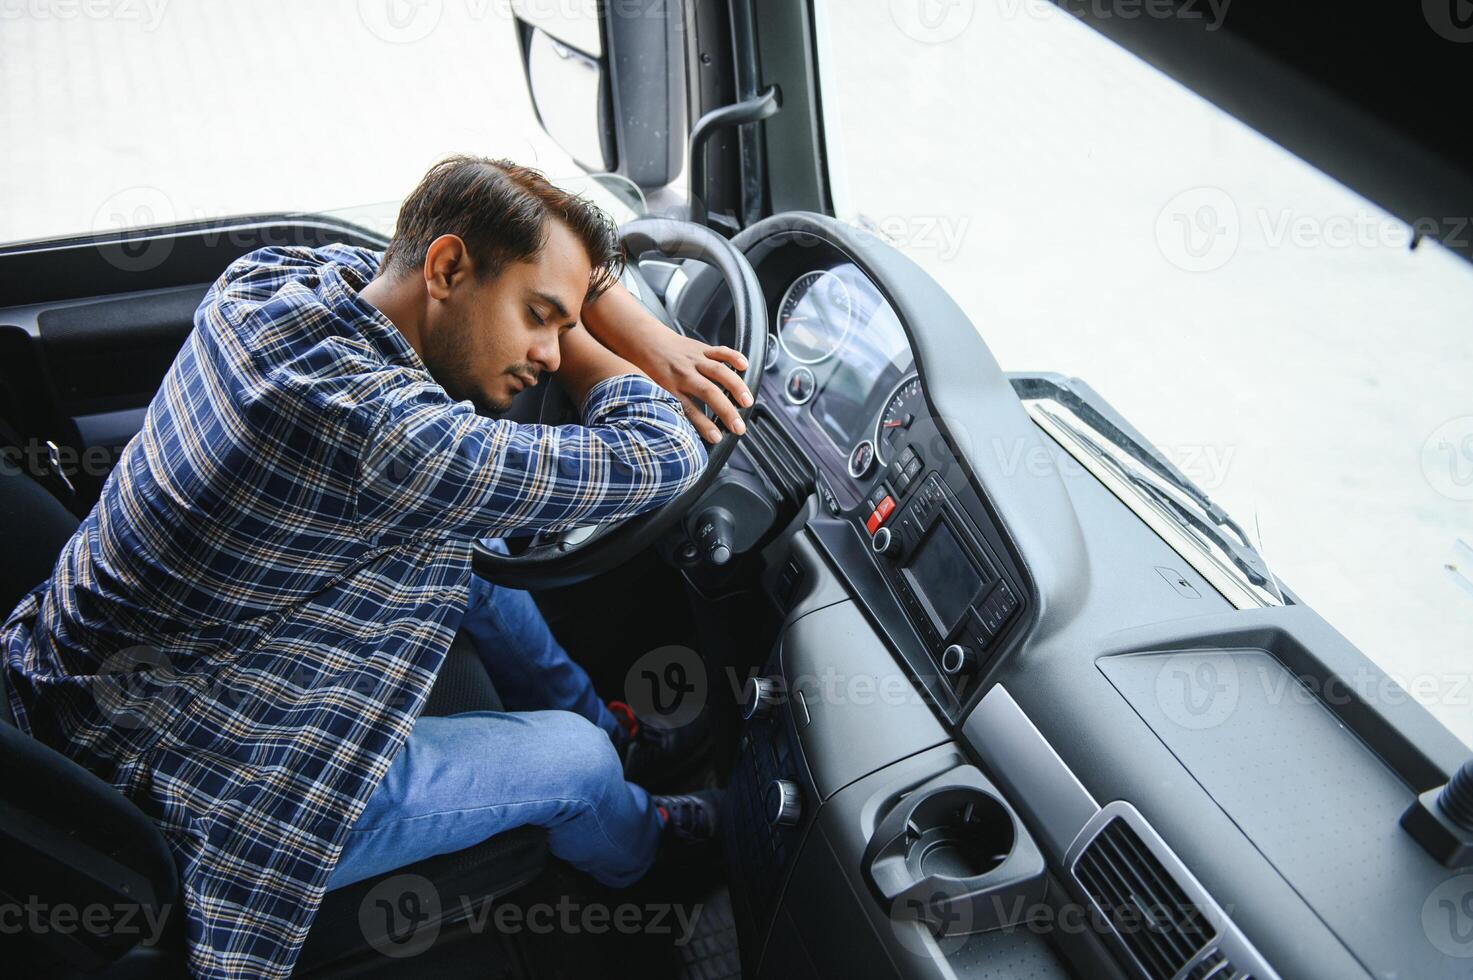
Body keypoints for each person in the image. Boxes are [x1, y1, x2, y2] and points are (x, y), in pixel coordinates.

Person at [0, 156, 751, 979]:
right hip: (203, 787)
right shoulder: (393, 440)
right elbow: (662, 454)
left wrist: (584, 297)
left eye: (559, 323)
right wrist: (645, 345)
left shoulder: (269, 285)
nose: (548, 350)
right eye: (539, 317)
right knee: (576, 762)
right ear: (447, 268)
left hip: (72, 687)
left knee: (473, 564)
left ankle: (621, 735)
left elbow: (448, 219)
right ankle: (646, 852)